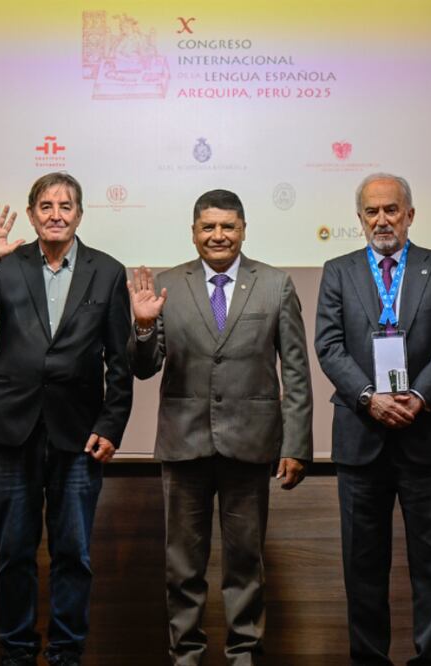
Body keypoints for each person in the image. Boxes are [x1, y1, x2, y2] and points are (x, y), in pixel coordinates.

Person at [0, 172, 133, 666]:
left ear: (79, 214)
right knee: (14, 554)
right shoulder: (8, 266)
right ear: (31, 214)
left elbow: (120, 359)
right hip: (13, 430)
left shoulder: (107, 271)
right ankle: (17, 652)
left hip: (79, 434)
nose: (56, 214)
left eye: (65, 206)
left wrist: (112, 425)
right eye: (46, 206)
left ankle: (67, 654)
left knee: (74, 554)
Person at [128, 189, 313, 665]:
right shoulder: (167, 284)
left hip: (250, 447)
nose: (218, 235)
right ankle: (185, 656)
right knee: (182, 567)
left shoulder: (274, 284)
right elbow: (145, 367)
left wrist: (297, 445)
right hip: (184, 443)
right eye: (208, 227)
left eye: (228, 226)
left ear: (244, 229)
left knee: (245, 565)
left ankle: (244, 654)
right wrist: (144, 327)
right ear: (193, 233)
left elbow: (295, 371)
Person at [314, 173, 431, 665]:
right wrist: (368, 397)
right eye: (372, 212)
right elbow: (329, 346)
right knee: (362, 565)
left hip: (427, 435)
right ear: (359, 219)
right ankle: (368, 658)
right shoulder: (337, 270)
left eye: (392, 210)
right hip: (362, 436)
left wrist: (418, 395)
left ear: (410, 215)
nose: (382, 220)